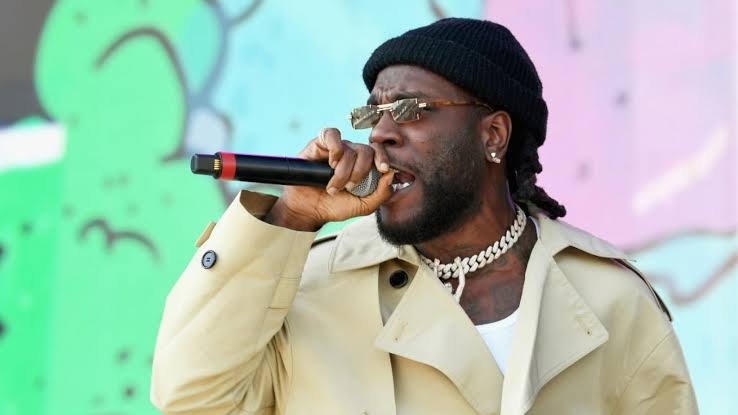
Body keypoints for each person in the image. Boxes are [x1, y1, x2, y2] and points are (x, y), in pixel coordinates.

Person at [150, 18, 698, 414]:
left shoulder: (607, 298)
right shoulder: (307, 285)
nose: (382, 133)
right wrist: (292, 216)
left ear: (493, 135)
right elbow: (190, 396)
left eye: (411, 109)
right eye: (373, 113)